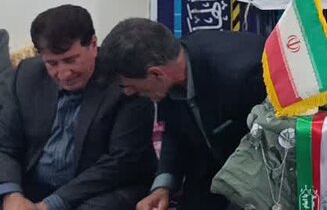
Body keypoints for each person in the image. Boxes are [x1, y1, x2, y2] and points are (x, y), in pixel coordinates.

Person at [99, 19, 268, 210]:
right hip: (211, 178)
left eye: (128, 86)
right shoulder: (168, 75)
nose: (128, 93)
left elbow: (273, 153)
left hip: (263, 180)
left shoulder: (245, 75)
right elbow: (174, 133)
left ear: (156, 74)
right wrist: (162, 187)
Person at [0, 6, 156, 210]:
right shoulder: (27, 75)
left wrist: (48, 206)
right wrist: (11, 195)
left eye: (70, 60)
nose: (64, 74)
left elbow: (122, 161)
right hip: (33, 188)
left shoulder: (124, 79)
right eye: (52, 64)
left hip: (102, 189)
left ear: (93, 44)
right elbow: (6, 145)